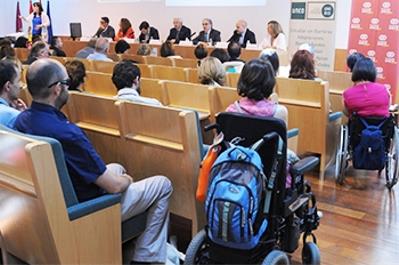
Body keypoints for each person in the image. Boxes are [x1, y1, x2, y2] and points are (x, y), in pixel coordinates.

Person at [14, 58, 172, 264]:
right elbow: (114, 186)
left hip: (46, 204)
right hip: (87, 210)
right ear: (57, 89)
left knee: (117, 167)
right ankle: (147, 257)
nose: (68, 88)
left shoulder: (22, 120)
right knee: (162, 184)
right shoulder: (68, 133)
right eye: (67, 83)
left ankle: (126, 247)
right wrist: (128, 180)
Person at [0, 59, 27, 128]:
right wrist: (24, 114)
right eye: (18, 81)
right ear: (8, 86)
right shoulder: (15, 117)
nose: (21, 85)